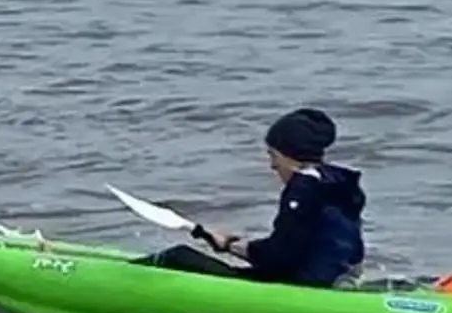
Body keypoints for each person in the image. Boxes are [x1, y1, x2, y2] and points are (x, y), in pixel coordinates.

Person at [149, 107, 366, 287]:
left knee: (178, 257)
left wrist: (230, 245)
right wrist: (232, 245)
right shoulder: (338, 184)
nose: (272, 165)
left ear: (289, 154)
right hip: (332, 280)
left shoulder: (303, 190)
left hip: (301, 289)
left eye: (273, 155)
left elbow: (278, 259)